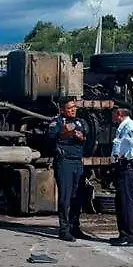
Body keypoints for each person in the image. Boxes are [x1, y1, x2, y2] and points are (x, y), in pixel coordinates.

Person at [47, 97, 88, 241]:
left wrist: (80, 136)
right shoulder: (57, 122)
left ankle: (74, 227)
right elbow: (50, 138)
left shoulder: (80, 122)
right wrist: (65, 132)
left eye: (74, 107)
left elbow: (86, 136)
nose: (73, 110)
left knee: (77, 196)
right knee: (65, 197)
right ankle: (64, 229)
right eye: (70, 108)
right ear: (62, 109)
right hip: (64, 162)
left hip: (77, 161)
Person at [110, 107, 133, 247]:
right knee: (120, 203)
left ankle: (131, 236)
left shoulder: (130, 126)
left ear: (119, 114)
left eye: (114, 114)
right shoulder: (122, 127)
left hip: (129, 167)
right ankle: (123, 234)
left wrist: (127, 155)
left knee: (127, 203)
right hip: (122, 167)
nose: (112, 117)